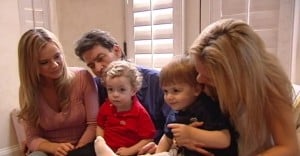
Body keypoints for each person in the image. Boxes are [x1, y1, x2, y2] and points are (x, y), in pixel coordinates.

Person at [186, 18, 299, 156]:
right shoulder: (204, 74)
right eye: (198, 72)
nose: (199, 79)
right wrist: (185, 137)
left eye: (209, 77)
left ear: (236, 76)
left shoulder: (270, 87)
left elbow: (289, 148)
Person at [74, 29, 171, 144]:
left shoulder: (156, 80)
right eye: (91, 65)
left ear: (117, 51)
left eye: (101, 58)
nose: (98, 68)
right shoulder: (96, 86)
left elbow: (172, 124)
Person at [17, 28, 98, 156]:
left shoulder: (83, 77)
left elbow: (93, 125)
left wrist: (76, 151)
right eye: (44, 62)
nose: (55, 65)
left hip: (84, 147)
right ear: (30, 66)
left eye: (57, 56)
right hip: (50, 150)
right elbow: (32, 138)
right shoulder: (28, 90)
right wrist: (54, 147)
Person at [155, 57, 237, 156]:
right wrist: (158, 153)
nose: (169, 97)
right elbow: (167, 138)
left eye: (176, 90)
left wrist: (191, 134)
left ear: (196, 90)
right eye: (165, 91)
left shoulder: (206, 107)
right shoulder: (175, 112)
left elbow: (225, 140)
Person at [94, 60, 156, 156]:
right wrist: (101, 142)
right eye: (110, 89)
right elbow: (100, 126)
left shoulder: (140, 112)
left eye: (121, 90)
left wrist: (130, 150)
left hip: (130, 152)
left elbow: (148, 138)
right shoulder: (106, 106)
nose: (115, 95)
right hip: (106, 150)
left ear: (133, 91)